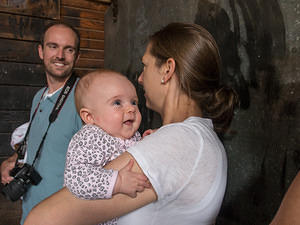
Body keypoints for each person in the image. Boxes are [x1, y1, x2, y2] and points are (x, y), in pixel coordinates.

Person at [24, 22, 239, 225]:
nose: (140, 78)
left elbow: (41, 220)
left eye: (145, 66)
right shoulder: (194, 136)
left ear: (167, 70)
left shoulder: (177, 142)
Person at [0, 21, 82, 224]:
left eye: (69, 49)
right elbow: (41, 140)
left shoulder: (87, 97)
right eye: (53, 46)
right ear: (41, 51)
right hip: (30, 211)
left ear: (77, 56)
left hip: (63, 217)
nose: (60, 56)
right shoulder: (39, 96)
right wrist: (14, 158)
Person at [64, 70, 150, 224]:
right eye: (117, 103)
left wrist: (148, 141)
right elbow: (76, 177)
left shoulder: (133, 135)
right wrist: (118, 181)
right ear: (90, 117)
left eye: (133, 102)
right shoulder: (90, 137)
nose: (131, 109)